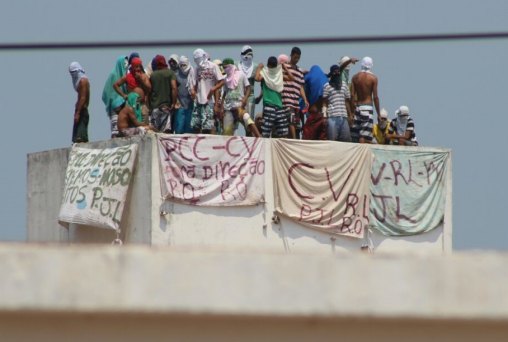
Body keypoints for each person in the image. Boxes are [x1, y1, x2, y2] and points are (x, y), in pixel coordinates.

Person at [255, 56, 292, 138]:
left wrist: (259, 67)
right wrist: (284, 68)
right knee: (267, 133)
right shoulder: (266, 74)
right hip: (270, 106)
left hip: (278, 106)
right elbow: (257, 78)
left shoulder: (276, 74)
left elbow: (291, 78)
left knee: (282, 132)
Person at [190, 49, 225, 134]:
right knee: (195, 126)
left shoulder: (213, 66)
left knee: (207, 127)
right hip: (198, 100)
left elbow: (222, 81)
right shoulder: (197, 69)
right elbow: (194, 83)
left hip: (209, 101)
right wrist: (193, 91)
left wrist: (214, 89)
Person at [350, 56, 380, 143]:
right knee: (364, 136)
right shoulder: (373, 78)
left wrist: (352, 111)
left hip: (357, 107)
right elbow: (375, 97)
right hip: (367, 107)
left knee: (355, 136)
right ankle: (362, 156)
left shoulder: (355, 77)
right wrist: (378, 114)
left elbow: (352, 96)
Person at [281, 47, 309, 139]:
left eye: (298, 58)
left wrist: (305, 99)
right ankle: (293, 141)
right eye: (295, 57)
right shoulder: (284, 68)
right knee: (290, 122)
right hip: (286, 101)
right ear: (291, 55)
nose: (297, 60)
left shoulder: (299, 71)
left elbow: (301, 86)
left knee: (296, 126)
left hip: (296, 103)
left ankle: (294, 141)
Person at [220, 58, 251, 136]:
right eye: (223, 68)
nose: (224, 69)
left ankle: (251, 145)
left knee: (248, 125)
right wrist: (221, 107)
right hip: (229, 108)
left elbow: (248, 88)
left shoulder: (241, 74)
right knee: (227, 131)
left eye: (225, 67)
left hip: (240, 106)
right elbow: (224, 93)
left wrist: (245, 99)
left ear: (230, 66)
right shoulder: (225, 78)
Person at [322, 64, 353, 142]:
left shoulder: (344, 85)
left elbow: (347, 102)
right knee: (332, 141)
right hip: (332, 117)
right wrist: (324, 116)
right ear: (332, 73)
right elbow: (324, 103)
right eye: (335, 72)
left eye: (338, 72)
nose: (337, 73)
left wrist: (350, 115)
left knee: (346, 140)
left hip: (343, 117)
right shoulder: (327, 86)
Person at [149, 55, 177, 133]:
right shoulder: (170, 73)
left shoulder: (153, 75)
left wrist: (149, 107)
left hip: (155, 108)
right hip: (166, 107)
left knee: (155, 132)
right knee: (166, 133)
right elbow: (174, 88)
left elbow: (149, 91)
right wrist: (173, 103)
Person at [102, 55, 128, 138]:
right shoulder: (113, 75)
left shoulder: (123, 75)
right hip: (115, 104)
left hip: (122, 103)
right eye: (124, 63)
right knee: (115, 130)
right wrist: (114, 101)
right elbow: (107, 91)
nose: (126, 65)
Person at [69, 62, 90, 143]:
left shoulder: (83, 81)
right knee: (76, 138)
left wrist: (78, 112)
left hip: (82, 110)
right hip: (79, 109)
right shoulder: (79, 80)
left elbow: (83, 98)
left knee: (81, 138)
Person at [173, 56, 195, 134]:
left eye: (184, 65)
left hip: (190, 105)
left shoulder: (193, 73)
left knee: (189, 128)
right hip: (180, 105)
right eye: (181, 65)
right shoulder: (176, 75)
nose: (183, 67)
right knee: (179, 127)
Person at [238, 45, 258, 127]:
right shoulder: (236, 65)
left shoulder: (256, 66)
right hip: (237, 97)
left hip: (250, 97)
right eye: (246, 53)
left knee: (249, 122)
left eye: (250, 53)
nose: (248, 55)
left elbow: (260, 79)